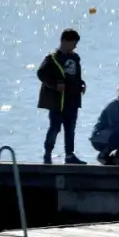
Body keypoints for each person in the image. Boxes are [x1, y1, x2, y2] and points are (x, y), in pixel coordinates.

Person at [36, 28, 87, 164]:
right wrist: (54, 84)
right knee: (55, 128)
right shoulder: (52, 58)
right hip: (58, 102)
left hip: (72, 101)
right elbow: (40, 74)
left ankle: (70, 155)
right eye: (73, 43)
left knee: (70, 129)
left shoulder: (75, 58)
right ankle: (48, 153)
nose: (75, 46)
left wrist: (81, 84)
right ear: (64, 41)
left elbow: (76, 76)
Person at [89, 71, 119, 165]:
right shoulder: (115, 105)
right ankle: (103, 154)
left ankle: (117, 158)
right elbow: (115, 126)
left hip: (113, 135)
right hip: (100, 138)